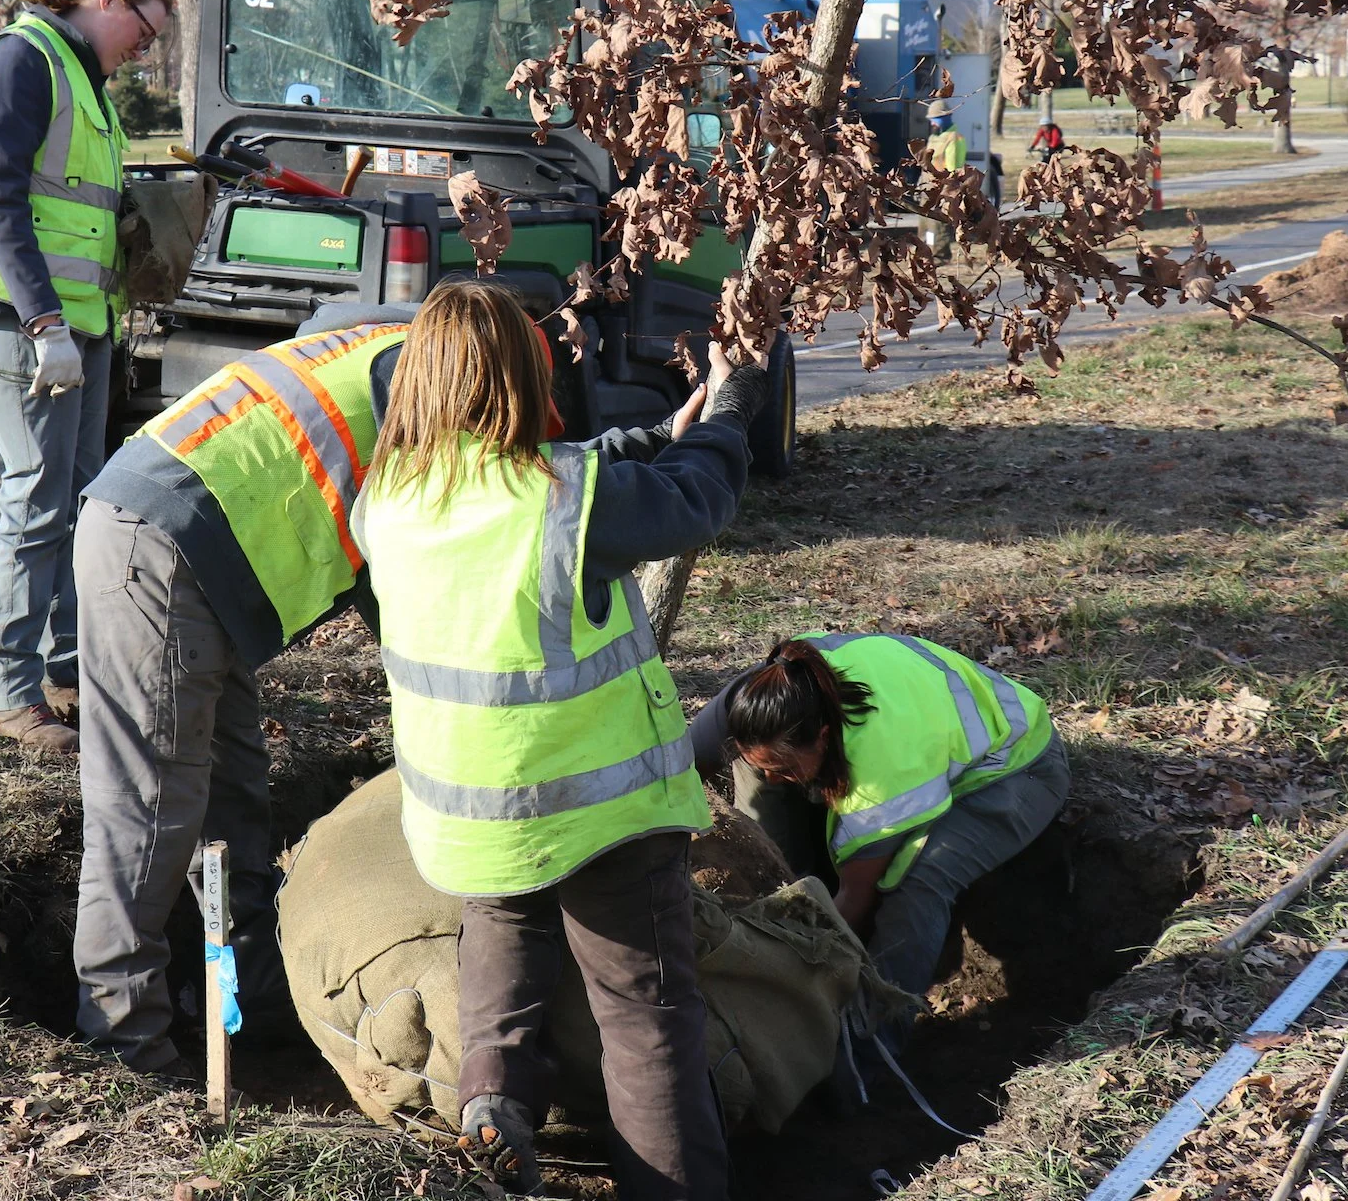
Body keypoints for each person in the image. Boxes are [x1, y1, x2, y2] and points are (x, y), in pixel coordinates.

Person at [352, 280, 767, 1201]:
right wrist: (733, 404)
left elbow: (538, 479)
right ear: (518, 377)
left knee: (500, 944)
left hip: (472, 817)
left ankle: (491, 1107)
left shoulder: (387, 498)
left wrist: (650, 437)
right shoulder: (567, 501)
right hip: (601, 813)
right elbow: (694, 502)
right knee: (646, 1019)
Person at [67, 304, 415, 1073]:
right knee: (150, 807)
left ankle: (247, 1000)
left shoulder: (376, 332)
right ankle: (121, 1038)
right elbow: (407, 561)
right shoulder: (417, 378)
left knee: (232, 797)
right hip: (156, 547)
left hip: (188, 548)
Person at [0, 0, 171, 753]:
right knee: (36, 501)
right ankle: (7, 693)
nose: (141, 53)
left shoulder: (86, 80)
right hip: (28, 325)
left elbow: (78, 209)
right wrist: (44, 324)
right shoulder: (21, 59)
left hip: (82, 326)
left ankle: (73, 673)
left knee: (81, 505)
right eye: (142, 33)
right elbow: (0, 201)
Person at [689, 633, 1067, 1029]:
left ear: (822, 737)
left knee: (918, 880)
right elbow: (683, 767)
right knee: (764, 780)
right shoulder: (770, 690)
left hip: (1017, 763)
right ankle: (788, 908)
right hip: (932, 728)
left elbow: (856, 899)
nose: (774, 778)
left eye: (783, 768)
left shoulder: (880, 783)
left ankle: (878, 1031)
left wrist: (807, 981)